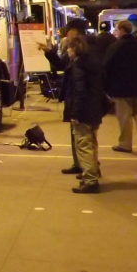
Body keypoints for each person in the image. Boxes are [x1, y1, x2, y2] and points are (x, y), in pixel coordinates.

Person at [40, 18, 100, 176]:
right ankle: (81, 165)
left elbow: (81, 86)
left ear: (76, 32)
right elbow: (62, 65)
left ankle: (90, 174)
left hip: (83, 103)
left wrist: (76, 111)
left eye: (69, 31)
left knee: (85, 139)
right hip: (84, 101)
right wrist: (49, 52)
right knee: (81, 137)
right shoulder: (80, 49)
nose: (66, 34)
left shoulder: (84, 53)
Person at [103, 20, 137, 153]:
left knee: (125, 117)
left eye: (117, 29)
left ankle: (125, 144)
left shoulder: (115, 46)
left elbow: (106, 66)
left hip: (121, 88)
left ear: (121, 29)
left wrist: (106, 86)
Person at [65, 35, 106, 193]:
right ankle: (93, 171)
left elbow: (79, 92)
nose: (68, 51)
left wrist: (75, 113)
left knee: (83, 145)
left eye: (69, 48)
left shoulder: (79, 66)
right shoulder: (93, 62)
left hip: (84, 111)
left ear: (74, 49)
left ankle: (90, 180)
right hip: (95, 109)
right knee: (92, 143)